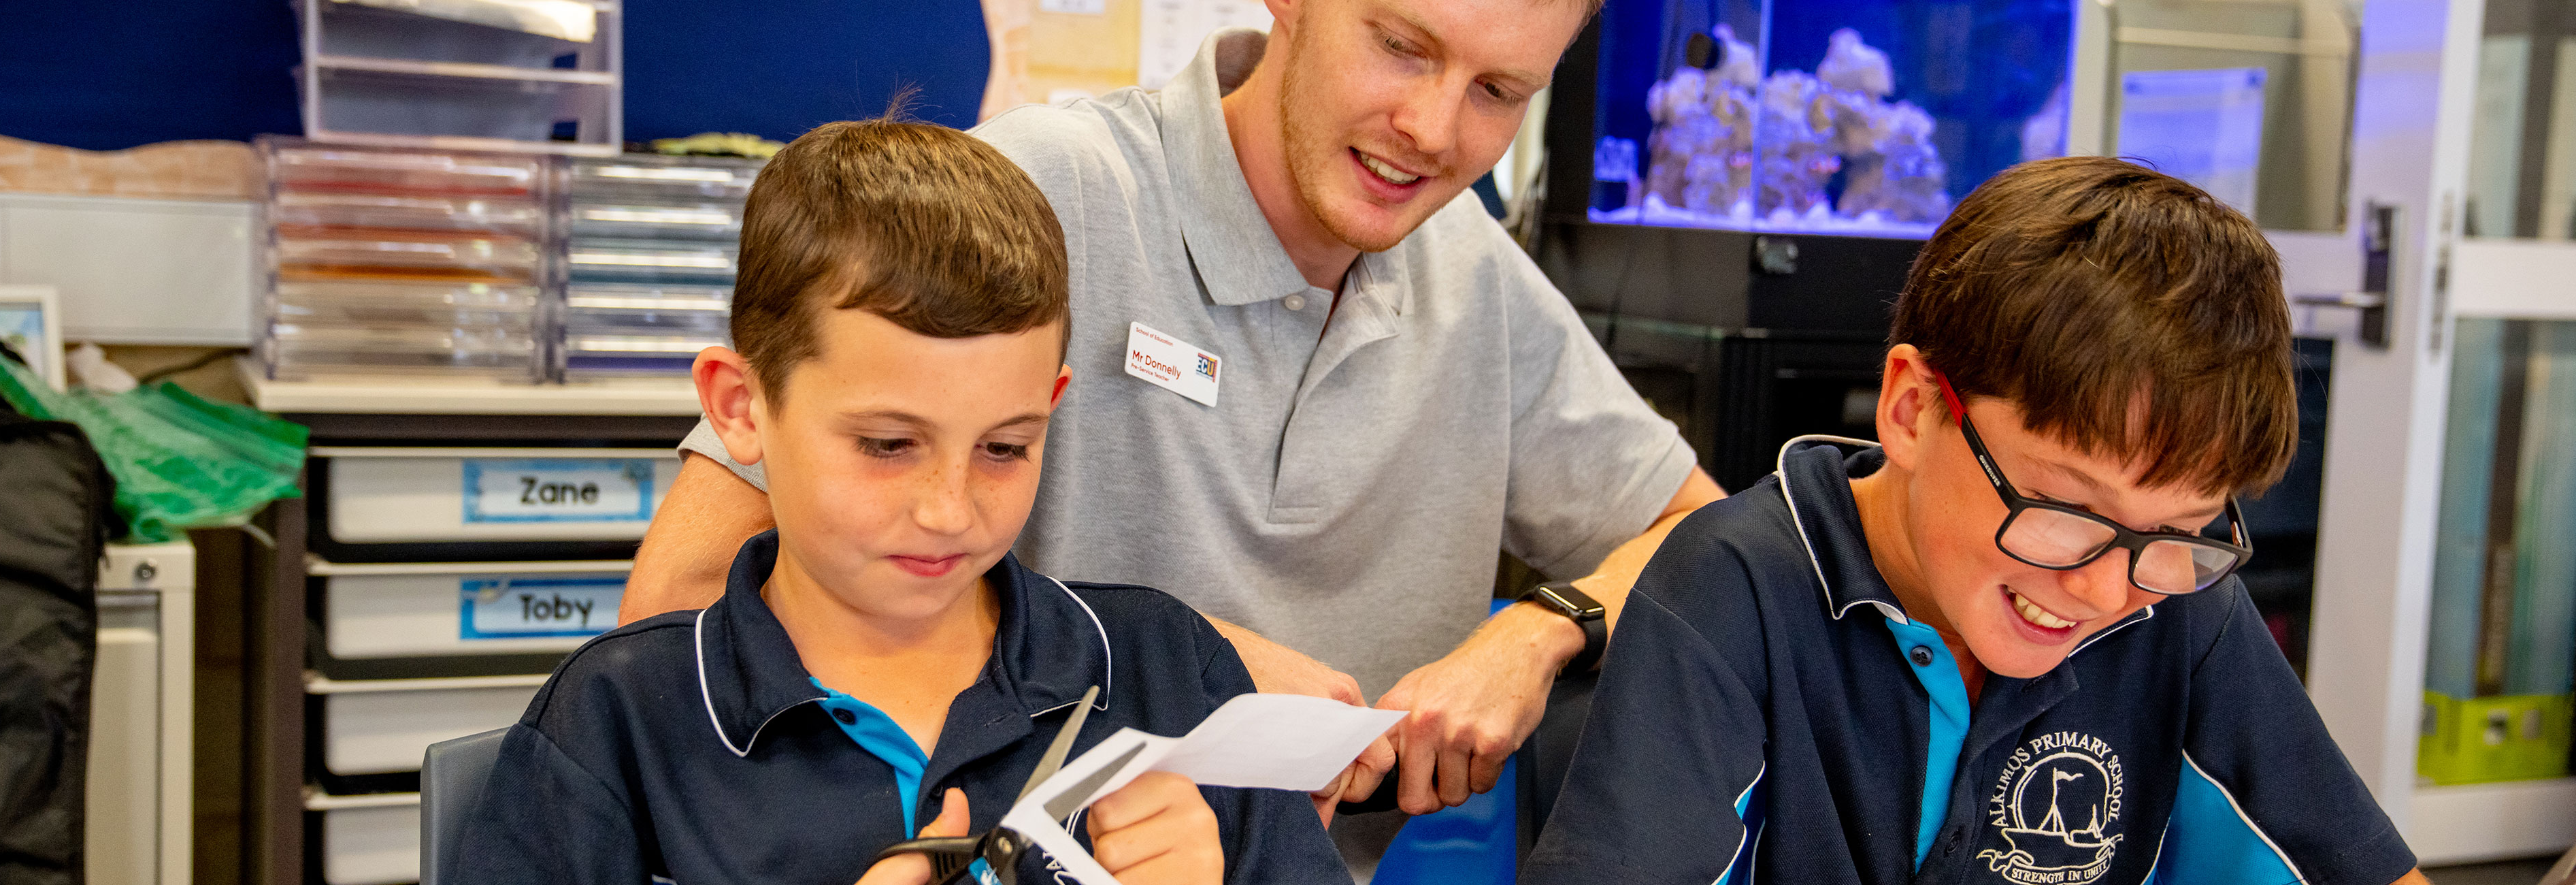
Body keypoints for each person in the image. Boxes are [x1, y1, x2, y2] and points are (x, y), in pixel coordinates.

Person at [623, 0, 1727, 853]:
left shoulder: (1473, 276)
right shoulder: (1041, 190)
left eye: (1498, 90)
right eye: (1400, 46)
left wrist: (1541, 629)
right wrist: (1171, 660)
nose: (1433, 130)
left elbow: (1705, 541)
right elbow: (680, 608)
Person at [444, 118, 1349, 885]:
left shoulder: (1169, 675)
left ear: (1053, 408)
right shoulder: (618, 723)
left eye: (1005, 447)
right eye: (887, 445)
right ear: (739, 409)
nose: (950, 510)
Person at [1519, 158, 2429, 885]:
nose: (2107, 588)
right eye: (2068, 509)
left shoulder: (2175, 601)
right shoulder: (1734, 589)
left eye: (2179, 531)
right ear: (1914, 409)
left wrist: (2163, 556)